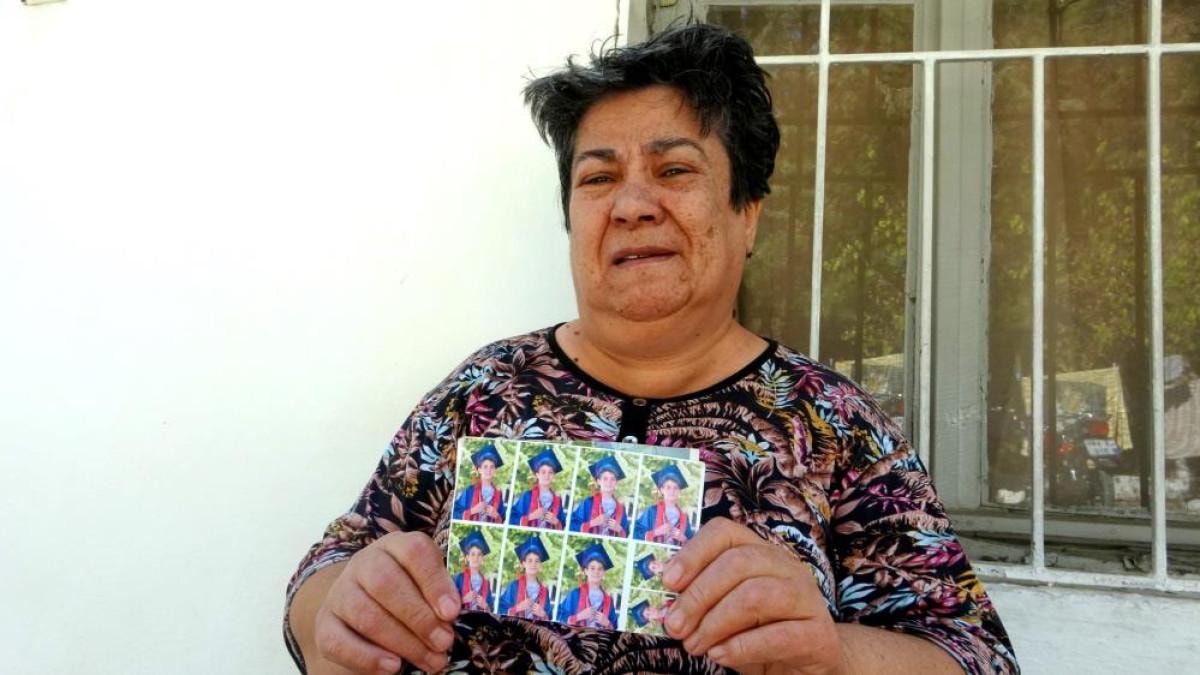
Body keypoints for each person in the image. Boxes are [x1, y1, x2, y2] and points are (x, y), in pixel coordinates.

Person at [284, 22, 1019, 675]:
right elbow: (330, 568)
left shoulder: (833, 423)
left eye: (674, 170)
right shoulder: (482, 391)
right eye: (599, 177)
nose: (632, 205)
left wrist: (834, 656)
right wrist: (335, 612)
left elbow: (975, 654)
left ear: (747, 214)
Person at [556, 542, 618, 629]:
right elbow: (559, 616)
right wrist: (578, 617)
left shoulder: (608, 600)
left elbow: (614, 626)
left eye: (600, 569)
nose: (596, 572)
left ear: (604, 572)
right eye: (592, 568)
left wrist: (607, 623)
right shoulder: (575, 594)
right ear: (586, 571)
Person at [633, 463, 694, 544]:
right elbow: (634, 534)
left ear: (679, 491)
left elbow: (692, 542)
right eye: (668, 487)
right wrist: (656, 532)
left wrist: (684, 539)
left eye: (675, 488)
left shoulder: (684, 517)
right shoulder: (652, 511)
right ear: (662, 489)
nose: (672, 491)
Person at [568, 456, 629, 537]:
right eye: (605, 479)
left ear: (616, 482)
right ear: (599, 481)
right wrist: (593, 523)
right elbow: (571, 525)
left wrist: (619, 529)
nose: (609, 482)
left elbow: (626, 532)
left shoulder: (621, 508)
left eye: (612, 479)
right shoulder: (588, 503)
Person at [498, 534, 554, 620]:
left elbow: (549, 616)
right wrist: (517, 608)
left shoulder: (544, 590)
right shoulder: (514, 586)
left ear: (540, 565)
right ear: (523, 563)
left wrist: (543, 614)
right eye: (530, 560)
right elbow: (500, 608)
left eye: (537, 561)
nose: (533, 564)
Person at [507, 446, 565, 529]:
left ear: (553, 476)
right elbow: (511, 518)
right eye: (543, 472)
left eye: (550, 472)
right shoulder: (527, 496)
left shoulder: (557, 499)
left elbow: (563, 523)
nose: (547, 476)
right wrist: (531, 516)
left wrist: (556, 522)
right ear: (537, 475)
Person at [451, 442, 506, 524]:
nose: (488, 470)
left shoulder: (498, 493)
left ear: (495, 470)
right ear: (479, 470)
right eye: (485, 467)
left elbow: (502, 517)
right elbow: (454, 513)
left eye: (492, 467)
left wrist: (496, 515)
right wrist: (473, 510)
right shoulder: (470, 490)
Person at [452, 530, 493, 613]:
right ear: (467, 557)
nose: (476, 558)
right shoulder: (458, 578)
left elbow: (491, 610)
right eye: (473, 554)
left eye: (479, 554)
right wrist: (463, 600)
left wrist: (485, 605)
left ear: (482, 559)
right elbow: (449, 603)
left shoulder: (486, 583)